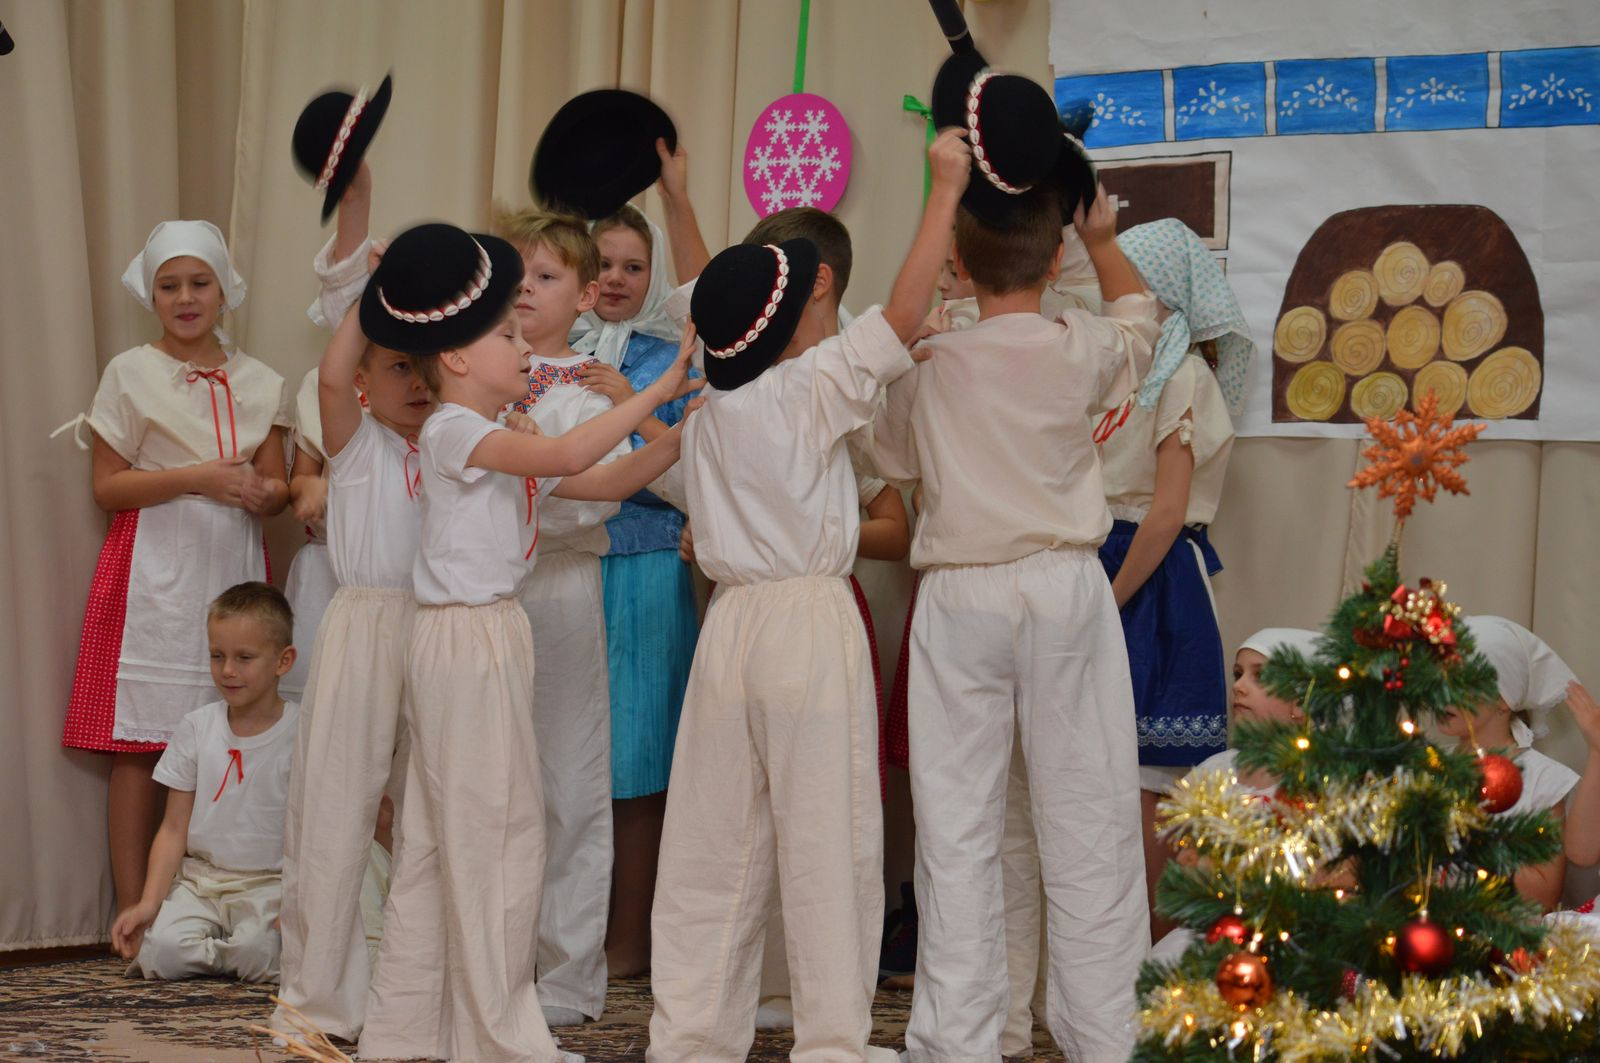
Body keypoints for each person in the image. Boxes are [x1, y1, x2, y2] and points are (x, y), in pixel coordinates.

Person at [645, 125, 971, 1063]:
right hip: (806, 623)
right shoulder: (808, 388)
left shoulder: (709, 414)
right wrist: (945, 188)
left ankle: (690, 1039)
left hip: (729, 628)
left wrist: (679, 205)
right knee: (831, 836)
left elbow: (706, 297)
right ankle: (831, 1041)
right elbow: (902, 312)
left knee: (710, 842)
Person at [861, 55, 1160, 1063]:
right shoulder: (1081, 342)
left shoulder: (926, 366)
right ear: (1054, 253)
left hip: (961, 594)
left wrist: (939, 259)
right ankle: (1105, 1033)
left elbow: (893, 461)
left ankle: (961, 1035)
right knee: (1087, 813)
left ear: (958, 257)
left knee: (958, 823)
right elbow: (1141, 322)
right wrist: (1103, 239)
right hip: (1064, 588)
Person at [355, 222, 692, 1063]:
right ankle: (494, 1030)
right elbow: (572, 450)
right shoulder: (454, 429)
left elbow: (602, 476)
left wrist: (689, 430)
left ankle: (421, 1021)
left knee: (466, 828)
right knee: (489, 829)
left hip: (490, 632)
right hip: (465, 639)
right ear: (457, 358)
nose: (521, 345)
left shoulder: (493, 426)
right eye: (505, 335)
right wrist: (660, 390)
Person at [57, 220, 291, 915]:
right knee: (142, 742)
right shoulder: (130, 372)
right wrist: (198, 478)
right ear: (150, 295)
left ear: (224, 290)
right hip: (154, 571)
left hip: (231, 565)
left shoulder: (262, 382)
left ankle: (219, 903)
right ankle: (135, 912)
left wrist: (266, 493)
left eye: (199, 283)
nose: (185, 298)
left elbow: (277, 484)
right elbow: (108, 487)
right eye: (169, 286)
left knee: (227, 735)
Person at [272, 210, 437, 1040]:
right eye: (398, 365)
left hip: (439, 633)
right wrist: (375, 291)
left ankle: (417, 994)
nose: (418, 382)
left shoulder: (457, 444)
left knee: (429, 813)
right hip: (363, 625)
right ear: (368, 379)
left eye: (428, 366)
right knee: (337, 806)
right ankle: (319, 998)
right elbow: (331, 379)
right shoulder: (358, 442)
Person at [494, 204, 631, 1027]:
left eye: (545, 277)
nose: (526, 290)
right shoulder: (477, 369)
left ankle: (570, 975)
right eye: (516, 276)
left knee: (569, 782)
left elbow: (600, 493)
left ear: (583, 296)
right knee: (493, 780)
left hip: (561, 584)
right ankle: (493, 962)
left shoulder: (590, 387)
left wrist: (527, 472)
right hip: (486, 592)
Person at [573, 203, 701, 977]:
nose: (616, 279)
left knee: (640, 760)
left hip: (649, 572)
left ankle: (629, 939)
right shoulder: (552, 352)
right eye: (604, 264)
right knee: (567, 758)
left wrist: (631, 398)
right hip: (567, 569)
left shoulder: (674, 358)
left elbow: (690, 474)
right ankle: (562, 934)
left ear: (654, 277)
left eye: (634, 266)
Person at [109, 583, 299, 982]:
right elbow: (173, 828)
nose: (227, 670)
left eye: (244, 658)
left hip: (269, 884)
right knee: (159, 954)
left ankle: (238, 949)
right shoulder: (198, 727)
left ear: (283, 661)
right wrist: (148, 903)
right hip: (201, 882)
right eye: (217, 656)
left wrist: (301, 899)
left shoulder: (302, 731)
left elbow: (314, 829)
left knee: (259, 953)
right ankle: (226, 952)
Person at [1144, 628, 1321, 964]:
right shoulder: (1216, 770)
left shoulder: (1319, 781)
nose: (1239, 686)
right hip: (1213, 930)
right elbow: (1180, 855)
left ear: (1300, 701)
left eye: (1260, 676)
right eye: (1238, 674)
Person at [1436, 616, 1578, 912]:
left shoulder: (1542, 781)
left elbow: (1543, 896)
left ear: (1503, 698)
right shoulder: (1427, 765)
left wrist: (1470, 835)